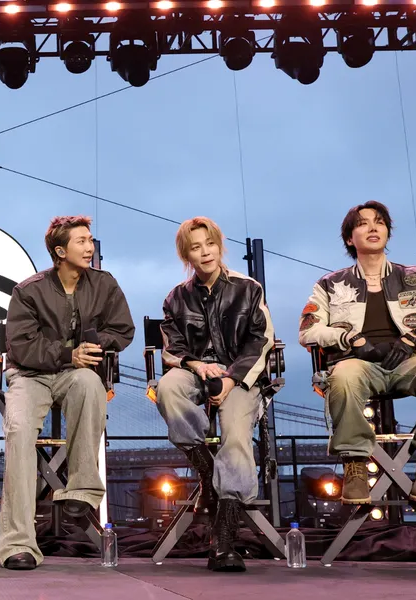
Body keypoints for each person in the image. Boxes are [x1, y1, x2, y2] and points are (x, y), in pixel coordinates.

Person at [300, 201, 416, 505]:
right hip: (359, 362)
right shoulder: (330, 284)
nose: (373, 227)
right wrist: (351, 339)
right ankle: (354, 464)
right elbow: (308, 331)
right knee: (343, 377)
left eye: (379, 222)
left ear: (388, 233)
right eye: (363, 223)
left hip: (412, 360)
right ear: (350, 239)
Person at [0, 215, 134, 571]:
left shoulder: (105, 285)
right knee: (19, 431)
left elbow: (123, 329)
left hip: (78, 374)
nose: (89, 247)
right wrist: (67, 353)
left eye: (90, 240)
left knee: (91, 383)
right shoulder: (28, 291)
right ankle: (16, 545)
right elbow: (23, 348)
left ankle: (82, 491)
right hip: (30, 375)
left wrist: (95, 343)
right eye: (81, 241)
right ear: (60, 251)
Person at [153, 217, 276, 572]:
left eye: (210, 243)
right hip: (197, 371)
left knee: (235, 436)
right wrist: (196, 365)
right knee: (168, 387)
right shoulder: (176, 297)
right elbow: (171, 346)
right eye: (196, 247)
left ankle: (224, 542)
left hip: (239, 375)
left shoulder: (248, 288)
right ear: (186, 255)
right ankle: (207, 473)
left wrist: (231, 378)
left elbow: (260, 340)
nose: (205, 251)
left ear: (220, 246)